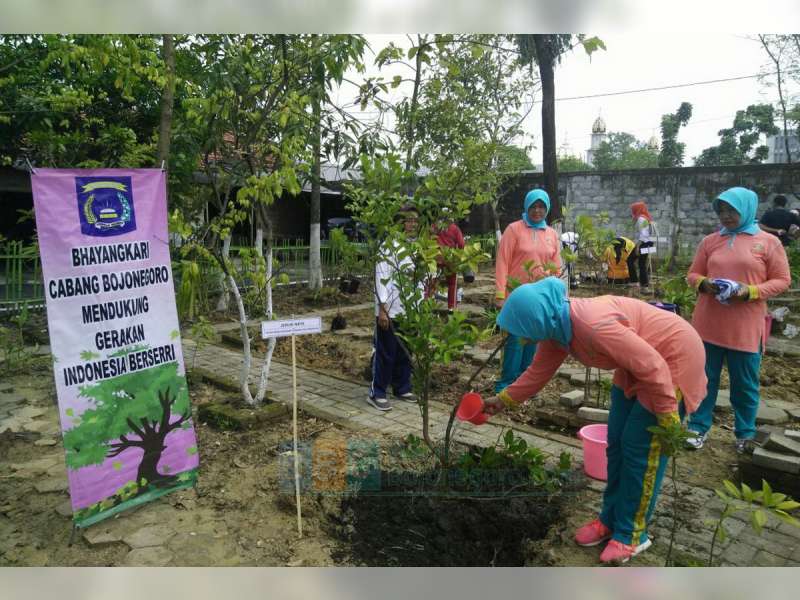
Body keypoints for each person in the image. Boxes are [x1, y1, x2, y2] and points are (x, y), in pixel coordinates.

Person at [483, 277, 707, 564]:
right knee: (616, 445)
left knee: (640, 450)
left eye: (522, 331)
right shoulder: (557, 329)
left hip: (672, 358)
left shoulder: (592, 325)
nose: (521, 338)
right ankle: (609, 518)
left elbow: (653, 366)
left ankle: (632, 533)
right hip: (636, 362)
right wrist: (501, 402)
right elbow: (538, 372)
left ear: (536, 320)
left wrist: (668, 417)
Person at [685, 187, 790, 452]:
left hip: (745, 326)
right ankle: (697, 427)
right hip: (708, 324)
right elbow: (693, 275)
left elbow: (782, 280)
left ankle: (744, 433)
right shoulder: (710, 241)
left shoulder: (768, 242)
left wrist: (751, 291)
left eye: (732, 210)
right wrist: (705, 284)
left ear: (747, 209)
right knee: (703, 379)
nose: (726, 216)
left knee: (744, 384)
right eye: (721, 210)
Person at [494, 189, 562, 393]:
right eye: (533, 206)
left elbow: (556, 268)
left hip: (539, 299)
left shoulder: (551, 234)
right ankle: (506, 385)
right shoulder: (514, 230)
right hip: (515, 296)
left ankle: (524, 385)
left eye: (542, 207)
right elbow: (502, 262)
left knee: (532, 341)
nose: (537, 210)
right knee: (514, 342)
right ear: (526, 207)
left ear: (547, 209)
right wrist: (499, 294)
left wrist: (556, 298)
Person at [367, 204, 421, 411]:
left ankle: (402, 387)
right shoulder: (388, 246)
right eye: (408, 220)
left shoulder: (419, 247)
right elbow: (382, 277)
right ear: (400, 222)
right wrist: (383, 308)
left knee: (405, 352)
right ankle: (377, 392)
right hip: (390, 309)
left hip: (411, 310)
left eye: (415, 220)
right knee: (385, 352)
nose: (412, 224)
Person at [431, 214, 466, 312]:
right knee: (452, 284)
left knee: (433, 282)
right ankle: (451, 307)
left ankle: (429, 304)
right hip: (450, 260)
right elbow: (461, 244)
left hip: (435, 258)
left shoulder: (434, 226)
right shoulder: (454, 228)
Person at [629, 201, 656, 293]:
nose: (632, 211)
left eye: (633, 210)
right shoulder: (646, 218)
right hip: (649, 243)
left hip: (644, 243)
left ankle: (636, 283)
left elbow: (643, 235)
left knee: (630, 260)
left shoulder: (641, 219)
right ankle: (643, 286)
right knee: (642, 263)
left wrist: (637, 247)